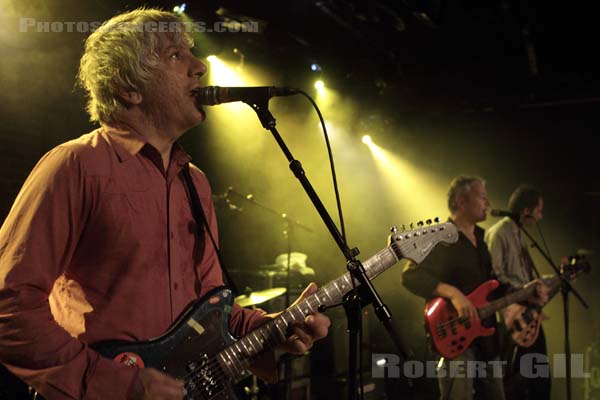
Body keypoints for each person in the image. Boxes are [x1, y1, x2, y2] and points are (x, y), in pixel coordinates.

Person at [0, 8, 329, 400]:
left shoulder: (196, 183)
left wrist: (275, 327)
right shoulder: (76, 166)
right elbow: (9, 307)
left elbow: (210, 315)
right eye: (176, 55)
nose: (201, 66)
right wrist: (114, 385)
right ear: (129, 88)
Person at [402, 175, 547, 400]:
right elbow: (411, 275)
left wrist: (528, 295)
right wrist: (453, 293)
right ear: (462, 201)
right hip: (454, 336)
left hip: (487, 338)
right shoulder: (439, 236)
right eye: (482, 198)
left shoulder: (482, 237)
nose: (488, 204)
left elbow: (493, 284)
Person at [485, 184, 550, 400]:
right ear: (526, 211)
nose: (540, 217)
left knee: (539, 378)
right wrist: (523, 291)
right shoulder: (499, 233)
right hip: (510, 318)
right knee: (515, 380)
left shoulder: (519, 236)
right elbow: (493, 277)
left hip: (527, 315)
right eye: (539, 211)